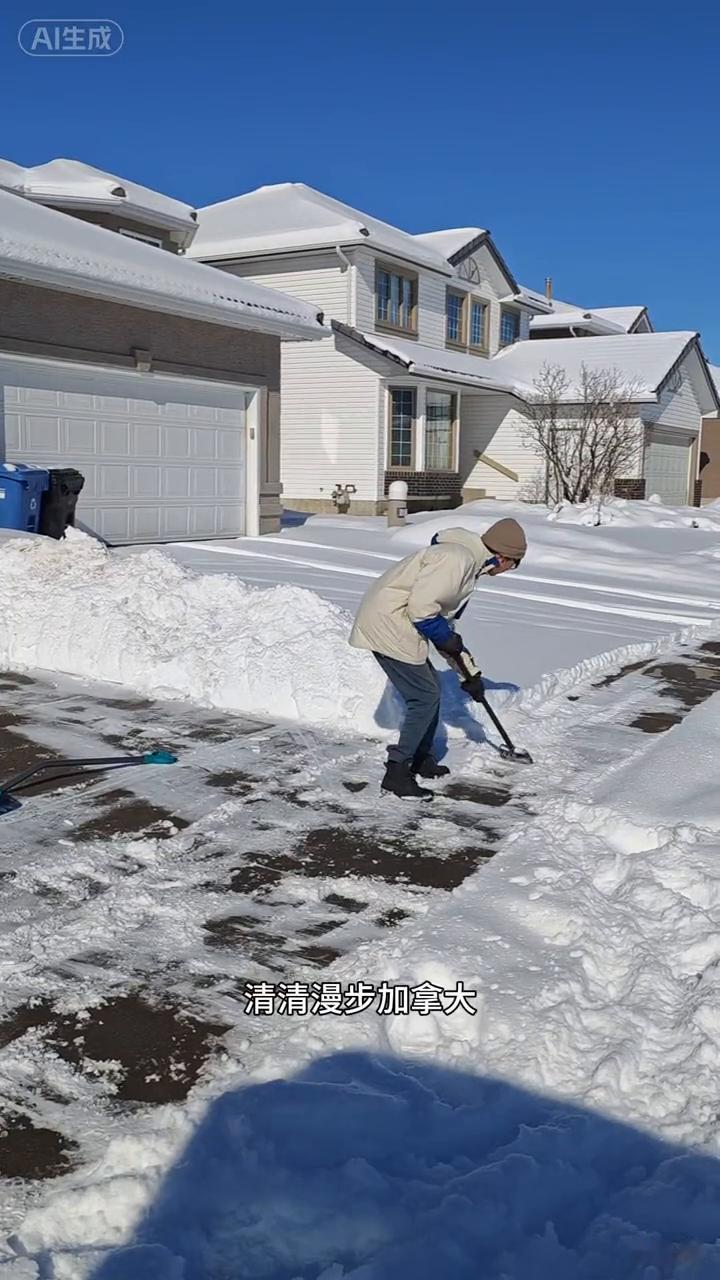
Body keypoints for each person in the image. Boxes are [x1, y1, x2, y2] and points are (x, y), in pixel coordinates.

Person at [349, 518, 527, 800]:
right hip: (390, 625)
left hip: (399, 623)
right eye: (515, 564)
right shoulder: (456, 558)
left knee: (431, 687)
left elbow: (444, 626)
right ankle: (397, 773)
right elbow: (423, 612)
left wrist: (469, 673)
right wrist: (446, 639)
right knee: (424, 696)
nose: (511, 570)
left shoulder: (467, 564)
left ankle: (420, 758)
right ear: (505, 557)